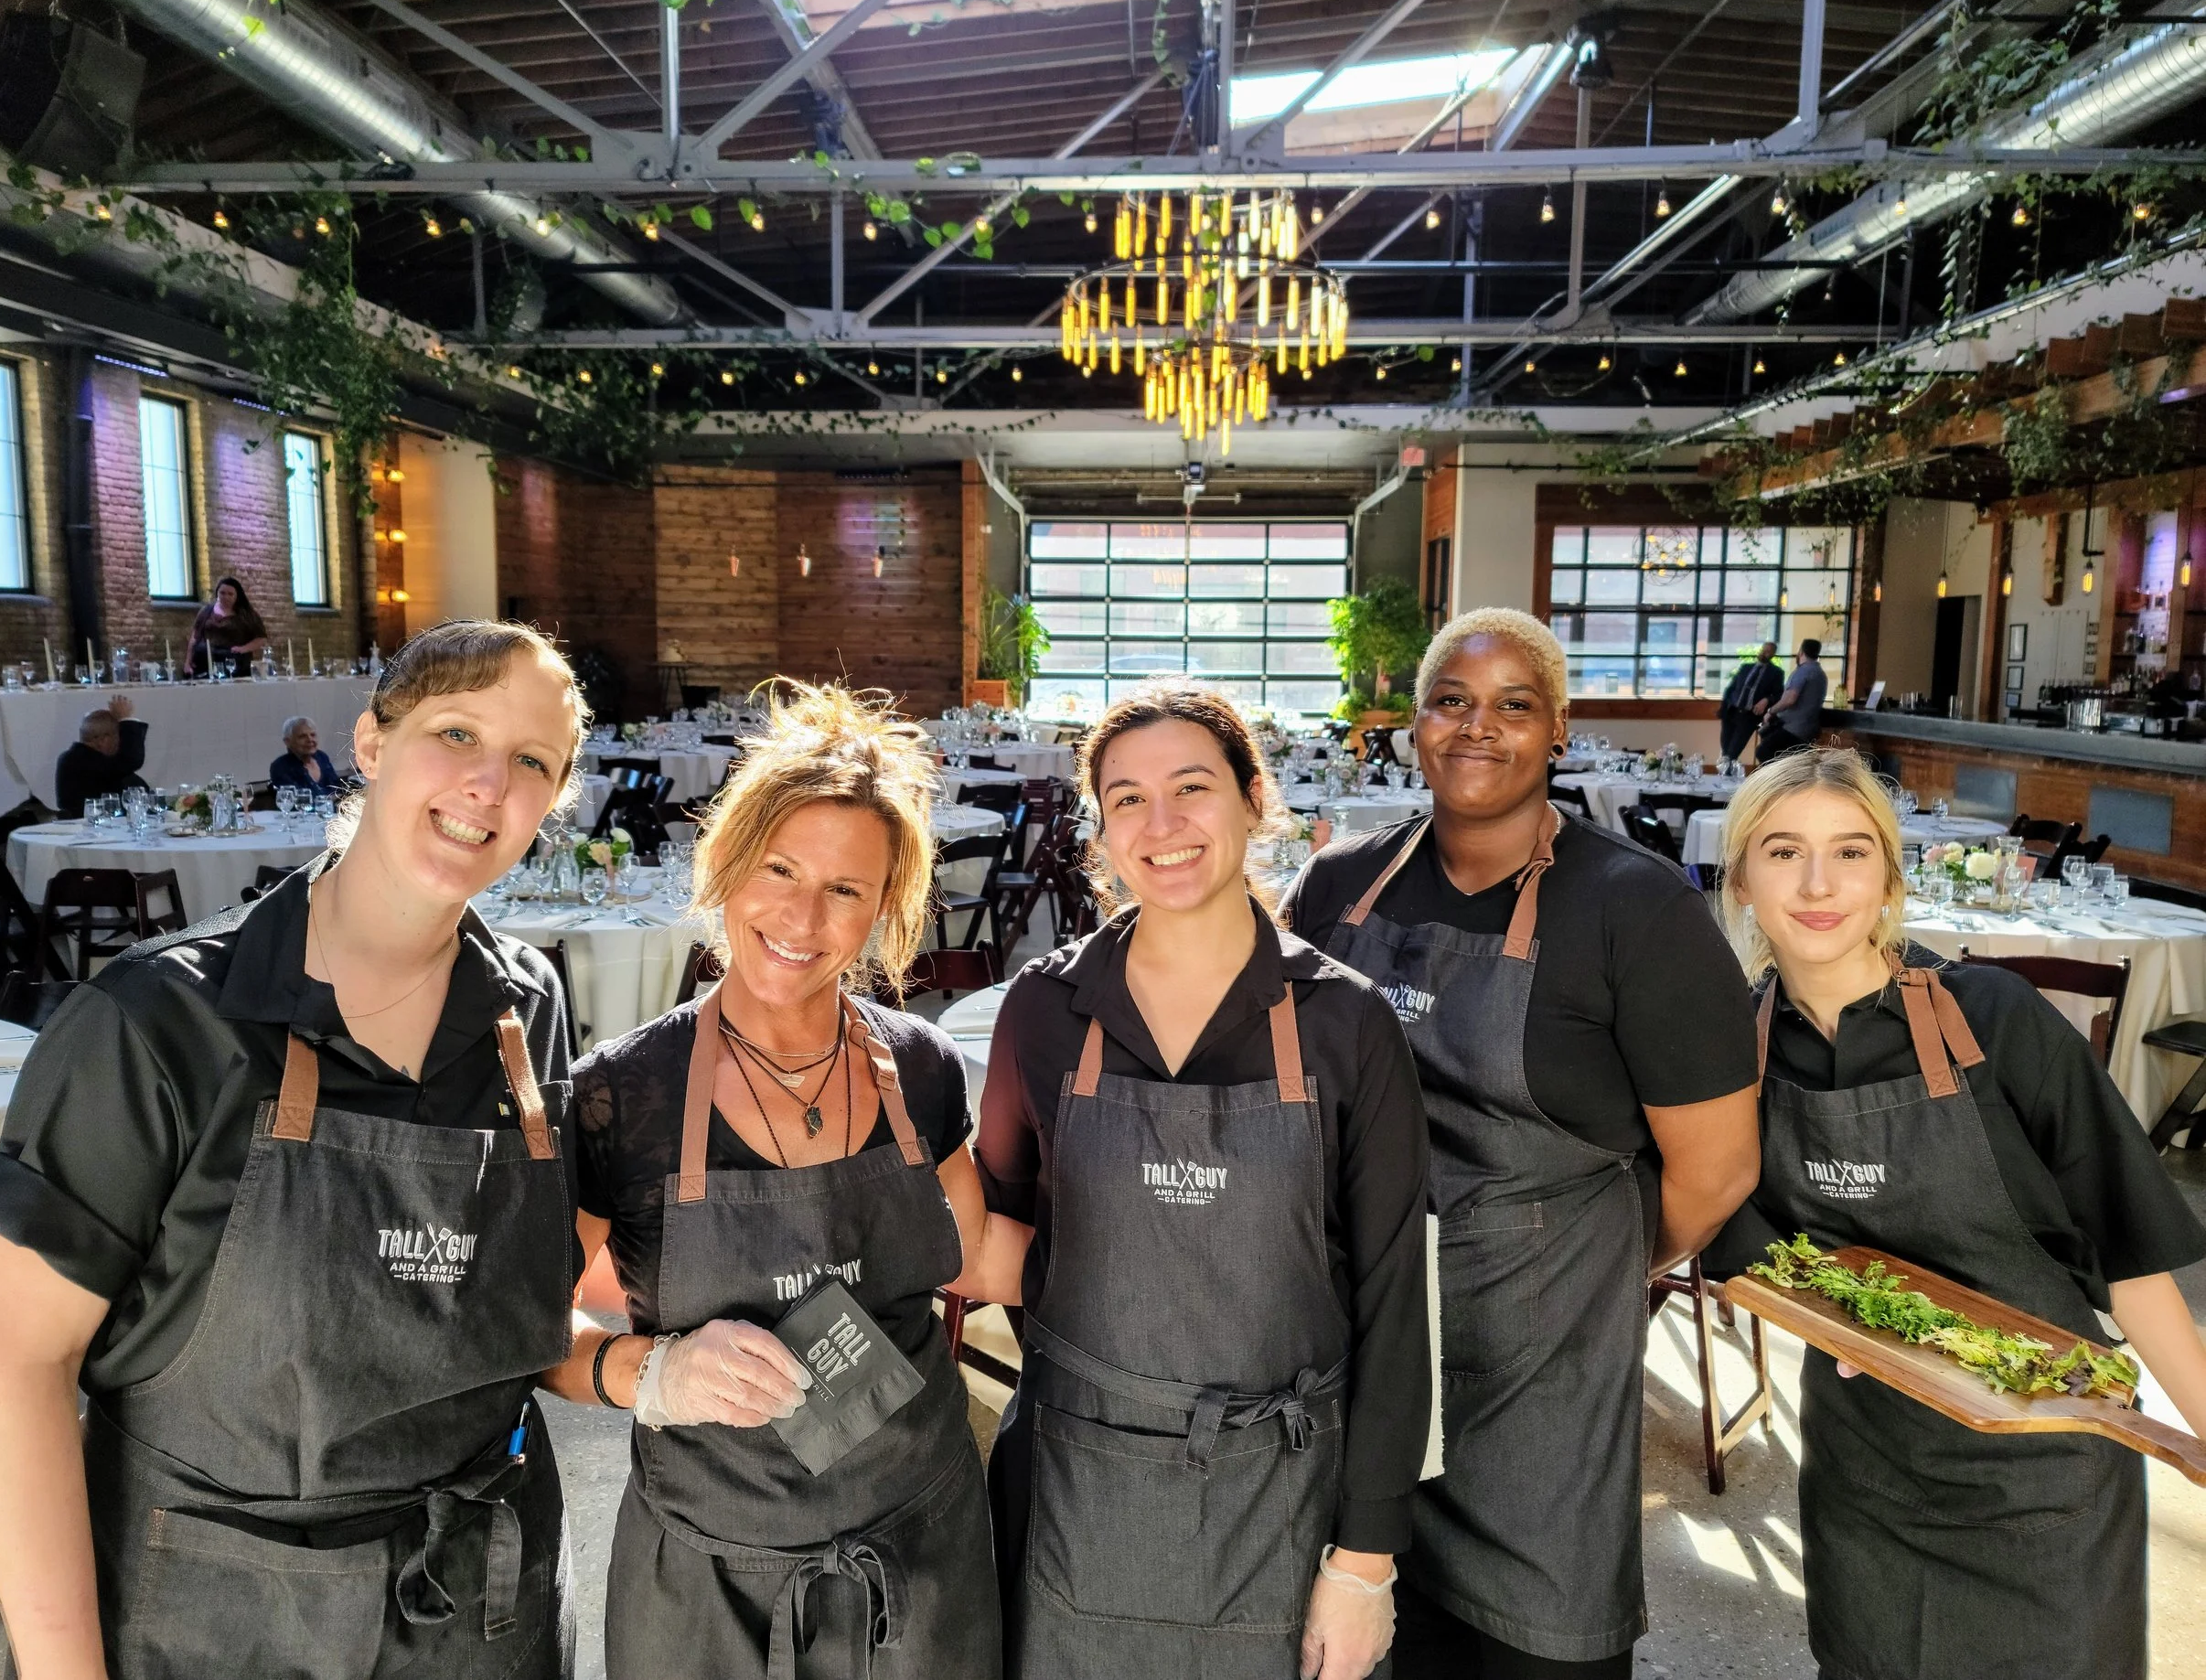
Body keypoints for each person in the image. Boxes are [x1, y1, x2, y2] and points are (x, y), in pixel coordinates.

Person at [0, 620, 591, 1679]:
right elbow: (21, 1366)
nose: (490, 782)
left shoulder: (522, 1008)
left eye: (534, 761)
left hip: (485, 1607)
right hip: (220, 1615)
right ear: (372, 744)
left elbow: (517, 1304)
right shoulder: (155, 1023)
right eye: (456, 733)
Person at [1282, 608, 1761, 1680]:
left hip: (1540, 1373)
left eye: (1512, 705)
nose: (1476, 728)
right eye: (1451, 701)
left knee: (1528, 1640)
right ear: (1412, 726)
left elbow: (1719, 1167)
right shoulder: (1338, 887)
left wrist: (1586, 1266)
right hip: (1364, 1343)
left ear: (1557, 730)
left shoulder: (1633, 909)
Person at [544, 684, 1012, 1680]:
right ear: (725, 864)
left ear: (886, 906)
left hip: (921, 1548)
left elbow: (977, 1256)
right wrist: (650, 1373)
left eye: (846, 889)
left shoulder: (921, 1070)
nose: (802, 917)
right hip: (709, 1574)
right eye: (778, 868)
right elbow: (524, 1326)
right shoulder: (621, 1095)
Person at [1707, 748, 2206, 1680]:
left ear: (1889, 878)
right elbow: (1716, 1220)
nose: (1818, 884)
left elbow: (2128, 1248)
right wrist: (1816, 1305)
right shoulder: (1730, 1052)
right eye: (1782, 853)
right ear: (1738, 877)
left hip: (2047, 1455)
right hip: (1868, 1461)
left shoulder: (1992, 1016)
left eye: (1850, 853)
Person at [978, 679, 1429, 1680]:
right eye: (1127, 798)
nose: (1163, 824)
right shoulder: (1043, 1012)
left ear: (1252, 799)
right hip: (1075, 1489)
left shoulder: (1345, 1025)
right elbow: (997, 1234)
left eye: (1192, 787)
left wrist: (1365, 1563)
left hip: (1283, 1495)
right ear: (1100, 827)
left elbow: (1398, 1306)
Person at [54, 693, 148, 817]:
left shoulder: (85, 758)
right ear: (104, 739)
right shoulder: (80, 760)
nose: (121, 743)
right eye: (120, 736)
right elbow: (130, 759)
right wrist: (126, 719)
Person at [1755, 637, 1826, 763]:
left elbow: (1790, 699)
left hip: (1793, 728)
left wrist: (1771, 711)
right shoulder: (1821, 674)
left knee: (1764, 752)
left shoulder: (1803, 672)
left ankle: (1776, 781)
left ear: (1801, 652)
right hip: (1810, 729)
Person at [188, 574, 271, 678]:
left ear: (237, 596)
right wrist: (188, 662)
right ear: (217, 593)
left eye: (230, 594)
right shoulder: (206, 611)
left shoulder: (247, 614)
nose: (226, 597)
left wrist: (243, 649)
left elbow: (261, 638)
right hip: (206, 662)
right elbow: (194, 638)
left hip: (234, 663)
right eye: (222, 593)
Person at [1716, 640, 1783, 765]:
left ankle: (1728, 778)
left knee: (1733, 752)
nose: (1764, 653)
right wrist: (1723, 709)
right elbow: (1730, 688)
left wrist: (1767, 699)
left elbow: (1779, 694)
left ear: (1773, 655)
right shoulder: (1746, 668)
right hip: (1732, 711)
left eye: (1768, 652)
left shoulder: (1776, 673)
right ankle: (1724, 777)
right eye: (1763, 650)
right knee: (1725, 750)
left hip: (1748, 716)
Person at [272, 714, 344, 797]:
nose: (310, 740)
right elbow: (299, 800)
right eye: (302, 736)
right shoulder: (280, 766)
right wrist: (330, 799)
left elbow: (338, 788)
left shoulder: (322, 757)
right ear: (288, 741)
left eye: (313, 735)